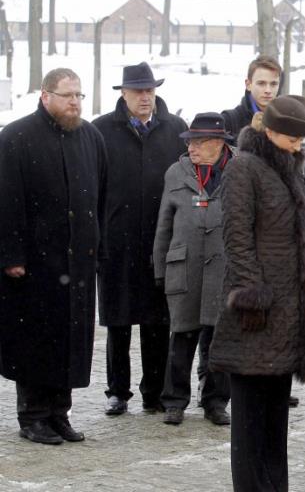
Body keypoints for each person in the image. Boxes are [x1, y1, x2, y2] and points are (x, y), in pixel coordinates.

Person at [208, 96, 305, 491]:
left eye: (301, 140)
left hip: (287, 310)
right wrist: (251, 293)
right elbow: (236, 236)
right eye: (292, 138)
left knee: (275, 416)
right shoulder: (244, 167)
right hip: (256, 312)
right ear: (271, 131)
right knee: (250, 419)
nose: (298, 146)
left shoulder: (288, 165)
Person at [0, 68, 107, 444]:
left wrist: (98, 247)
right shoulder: (15, 137)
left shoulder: (91, 138)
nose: (75, 102)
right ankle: (32, 416)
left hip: (77, 263)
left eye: (79, 95)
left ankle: (60, 413)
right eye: (67, 95)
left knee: (71, 341)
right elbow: (6, 202)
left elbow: (100, 197)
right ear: (45, 96)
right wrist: (11, 255)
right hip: (34, 264)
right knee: (35, 341)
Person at [94, 62, 188, 416]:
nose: (145, 97)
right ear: (123, 93)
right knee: (118, 322)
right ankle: (117, 391)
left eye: (149, 90)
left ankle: (154, 391)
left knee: (157, 321)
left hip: (160, 240)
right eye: (137, 91)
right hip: (116, 241)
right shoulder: (101, 130)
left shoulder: (175, 129)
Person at [153, 113, 234, 426]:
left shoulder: (239, 170)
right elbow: (164, 223)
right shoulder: (177, 172)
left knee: (219, 339)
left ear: (218, 143)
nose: (191, 149)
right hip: (184, 266)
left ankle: (215, 402)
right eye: (190, 142)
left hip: (225, 269)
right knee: (182, 336)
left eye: (198, 143)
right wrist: (160, 267)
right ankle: (174, 401)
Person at [221, 55, 282, 136]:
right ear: (248, 85)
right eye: (261, 83)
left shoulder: (286, 119)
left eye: (273, 84)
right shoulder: (229, 120)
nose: (268, 90)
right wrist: (251, 132)